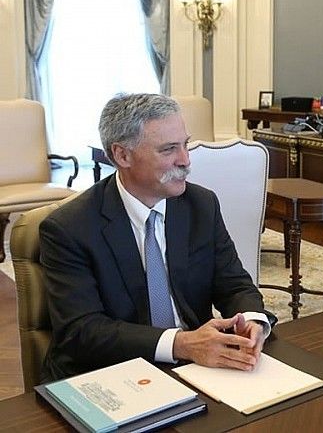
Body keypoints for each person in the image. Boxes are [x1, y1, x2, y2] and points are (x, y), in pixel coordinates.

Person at [40, 93, 277, 381]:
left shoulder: (201, 205)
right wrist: (181, 344)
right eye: (168, 150)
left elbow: (234, 284)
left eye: (185, 145)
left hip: (196, 368)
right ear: (122, 155)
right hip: (109, 373)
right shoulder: (69, 228)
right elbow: (83, 332)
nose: (186, 160)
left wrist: (251, 320)